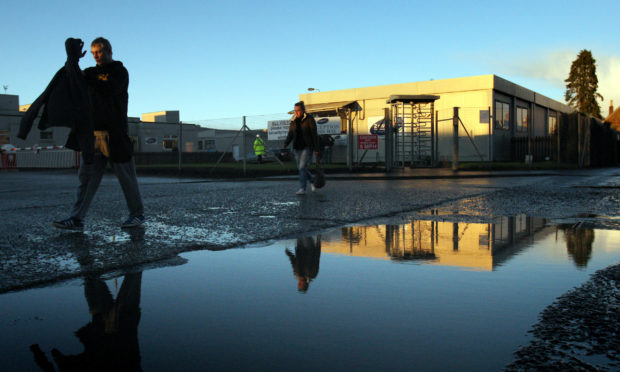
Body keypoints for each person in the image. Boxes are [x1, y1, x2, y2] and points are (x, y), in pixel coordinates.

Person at [53, 37, 145, 230]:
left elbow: (109, 88)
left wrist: (88, 78)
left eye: (100, 51)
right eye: (94, 53)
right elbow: (71, 77)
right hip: (94, 134)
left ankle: (137, 215)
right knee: (87, 178)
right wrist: (72, 58)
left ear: (109, 51)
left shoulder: (119, 72)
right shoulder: (90, 73)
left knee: (126, 176)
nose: (96, 56)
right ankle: (77, 218)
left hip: (116, 133)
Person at [283, 101, 319, 195]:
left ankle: (302, 188)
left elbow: (314, 134)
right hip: (297, 147)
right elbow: (291, 133)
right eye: (295, 110)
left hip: (307, 146)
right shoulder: (293, 120)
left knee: (302, 167)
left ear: (303, 110)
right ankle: (312, 180)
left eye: (298, 110)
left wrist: (316, 148)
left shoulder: (309, 119)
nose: (296, 112)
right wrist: (286, 143)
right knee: (301, 168)